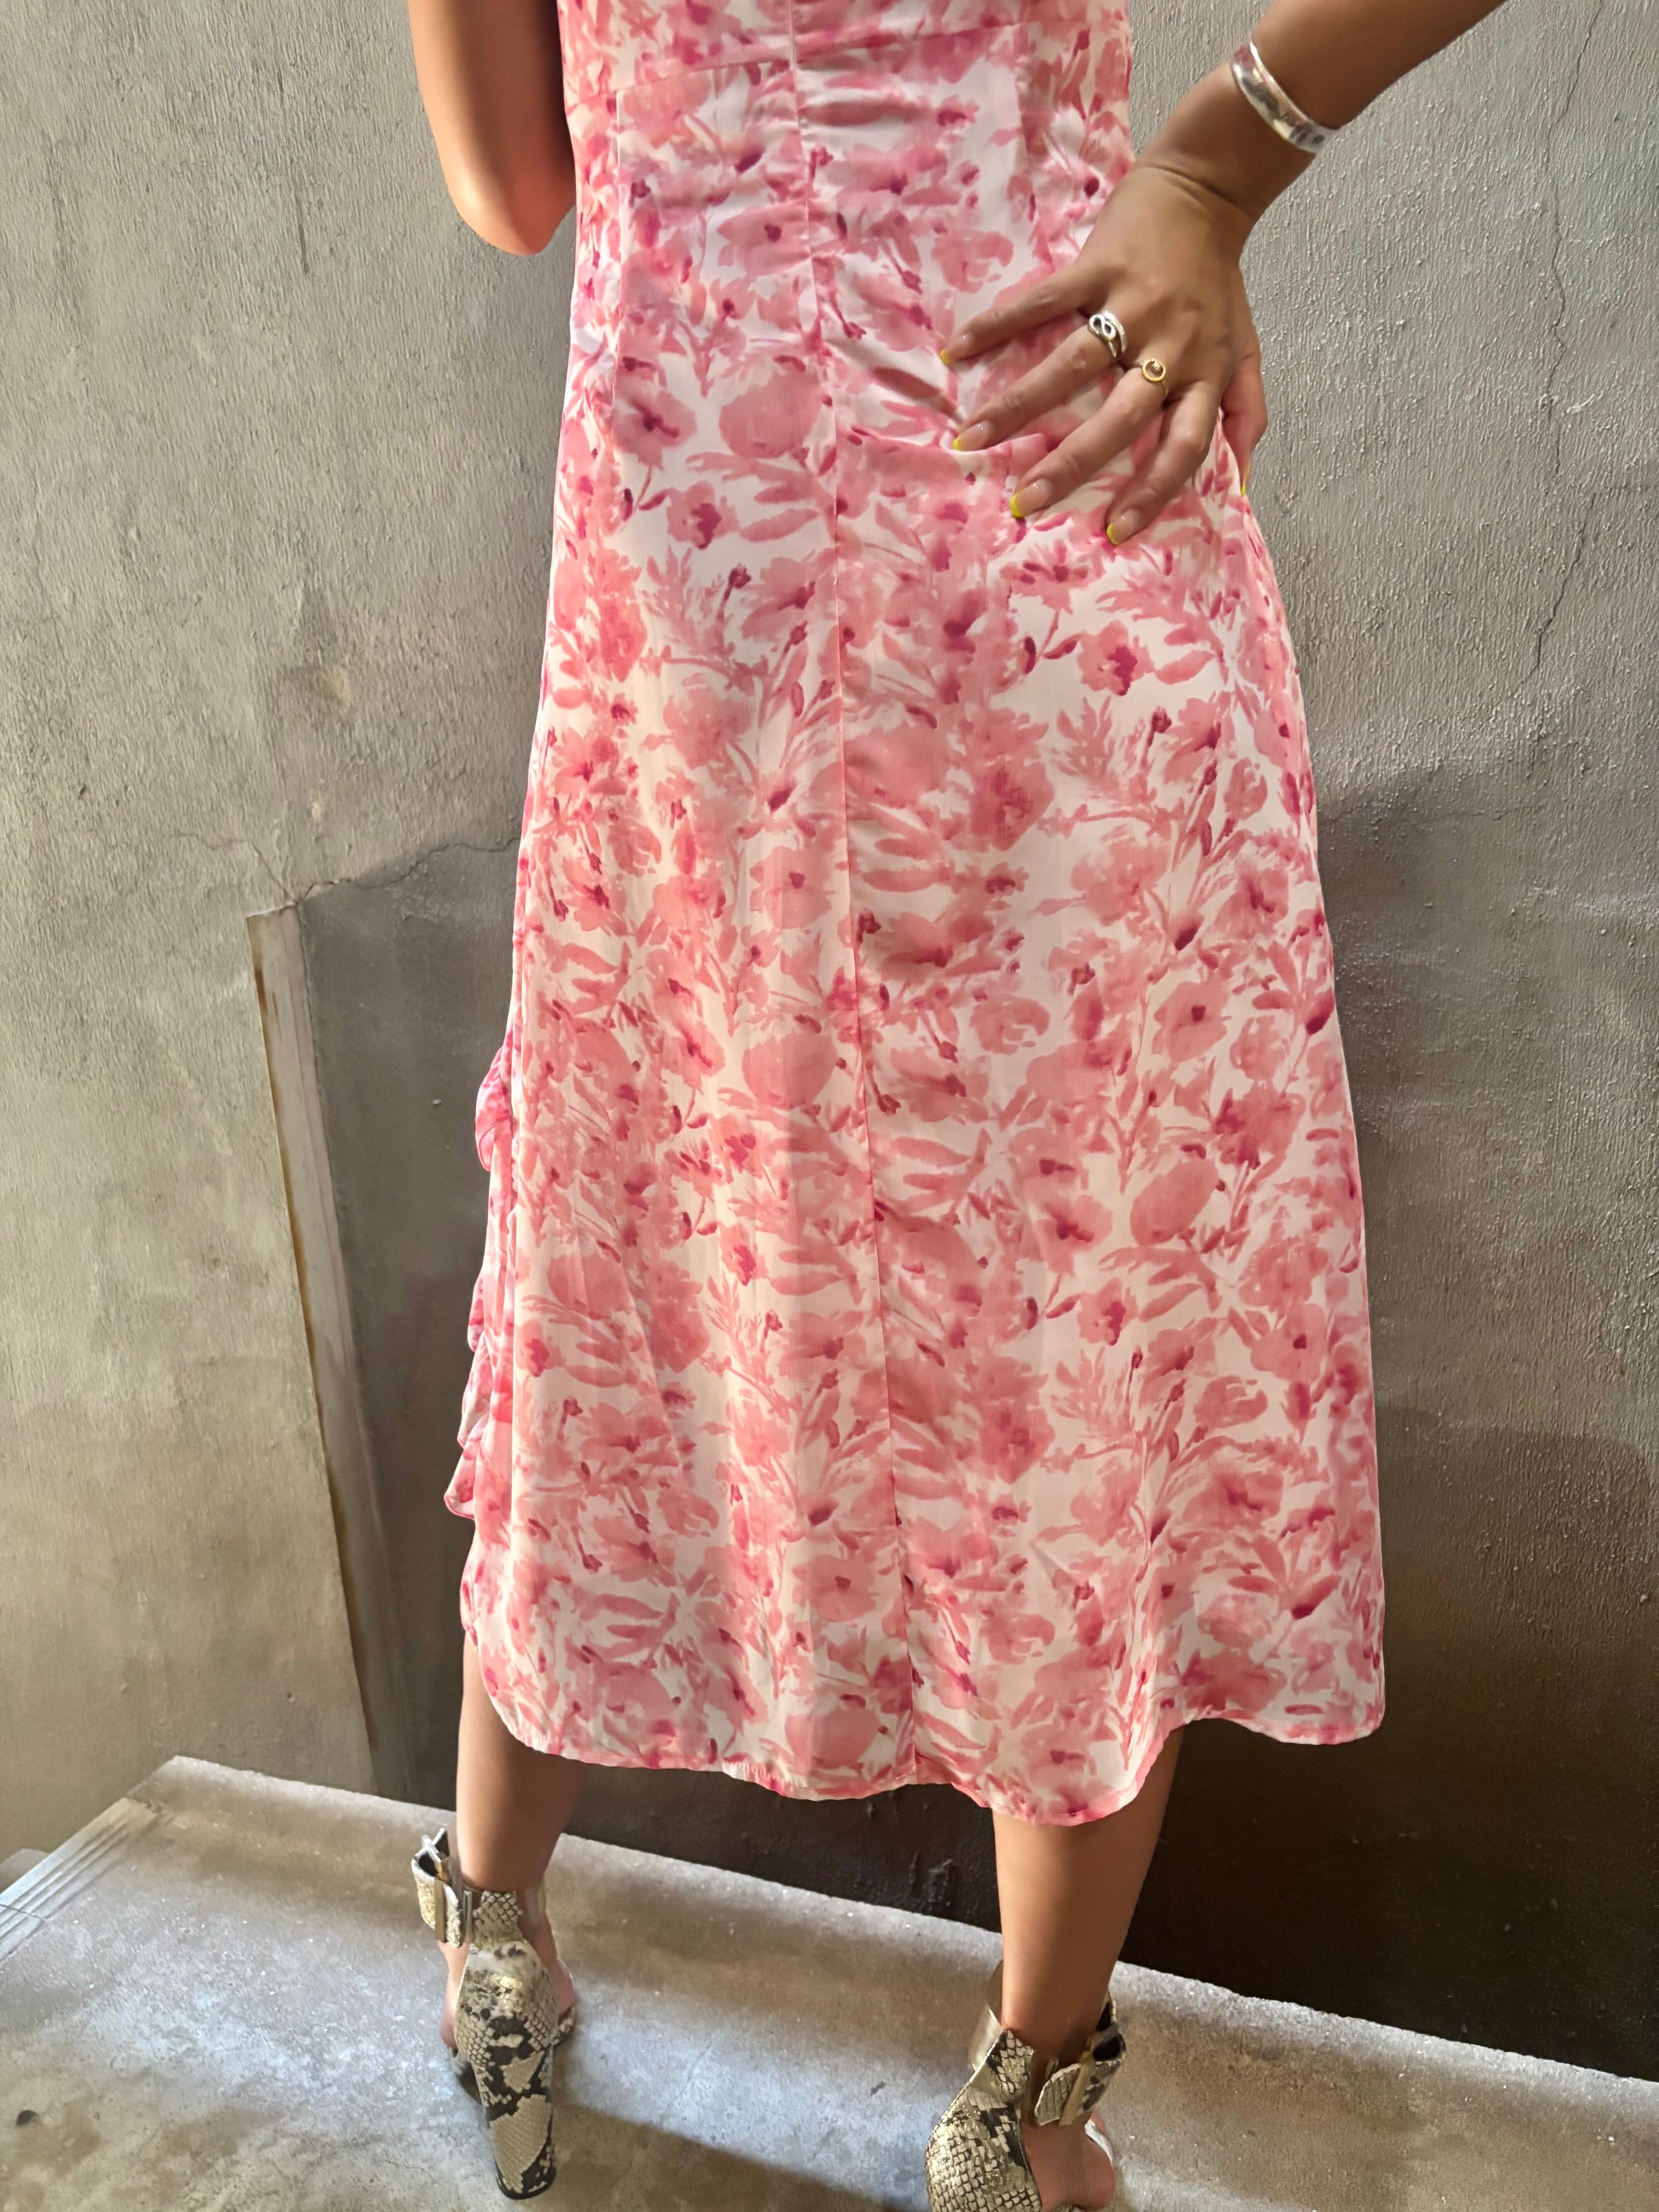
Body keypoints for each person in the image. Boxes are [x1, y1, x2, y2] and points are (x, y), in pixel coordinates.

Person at [402, 0, 1504, 2202]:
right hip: (1041, 554)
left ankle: (493, 1922)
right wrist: (1215, 162)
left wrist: (1208, 168)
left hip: (716, 598)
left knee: (651, 1250)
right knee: (1066, 1324)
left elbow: (514, 183)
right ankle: (1026, 2106)